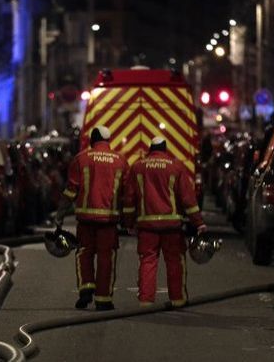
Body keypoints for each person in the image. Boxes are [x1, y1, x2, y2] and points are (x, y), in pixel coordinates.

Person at [123, 137, 207, 308]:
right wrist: (198, 223)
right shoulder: (176, 166)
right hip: (172, 227)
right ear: (165, 149)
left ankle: (146, 301)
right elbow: (188, 199)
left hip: (147, 226)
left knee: (148, 261)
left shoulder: (138, 167)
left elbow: (129, 199)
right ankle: (178, 299)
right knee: (175, 261)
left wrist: (129, 223)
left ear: (150, 148)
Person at [55, 125, 128, 311]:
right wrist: (128, 220)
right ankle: (103, 299)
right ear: (108, 140)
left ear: (92, 140)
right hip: (109, 221)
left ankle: (86, 288)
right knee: (106, 258)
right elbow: (126, 194)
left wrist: (60, 214)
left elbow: (71, 190)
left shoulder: (81, 159)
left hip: (86, 219)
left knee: (84, 253)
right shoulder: (120, 161)